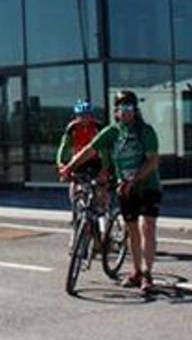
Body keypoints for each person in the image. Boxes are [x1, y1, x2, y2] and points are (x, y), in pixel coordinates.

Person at [60, 90, 161, 294]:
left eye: (129, 109)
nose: (125, 113)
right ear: (116, 112)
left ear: (135, 110)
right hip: (125, 187)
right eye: (121, 109)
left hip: (147, 186)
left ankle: (147, 274)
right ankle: (135, 272)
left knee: (146, 227)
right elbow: (89, 149)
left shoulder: (146, 131)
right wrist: (68, 167)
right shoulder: (112, 132)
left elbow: (152, 161)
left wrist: (134, 179)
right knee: (131, 229)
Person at [56, 99, 108, 220]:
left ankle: (104, 209)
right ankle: (75, 209)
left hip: (95, 159)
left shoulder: (97, 127)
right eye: (81, 116)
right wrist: (61, 163)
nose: (84, 119)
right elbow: (63, 147)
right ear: (77, 116)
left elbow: (104, 151)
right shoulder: (72, 127)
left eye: (87, 116)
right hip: (79, 160)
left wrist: (104, 168)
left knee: (101, 184)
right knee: (74, 182)